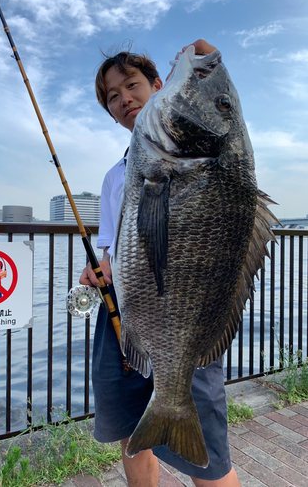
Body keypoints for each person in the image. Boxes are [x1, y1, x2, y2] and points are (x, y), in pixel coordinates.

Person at [80, 39, 241, 487]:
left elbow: (212, 85)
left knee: (208, 454)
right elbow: (113, 249)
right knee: (133, 434)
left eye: (131, 85)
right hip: (127, 313)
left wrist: (207, 61)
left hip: (190, 317)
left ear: (158, 85)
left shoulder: (201, 158)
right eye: (112, 96)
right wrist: (101, 270)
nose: (123, 98)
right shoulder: (118, 174)